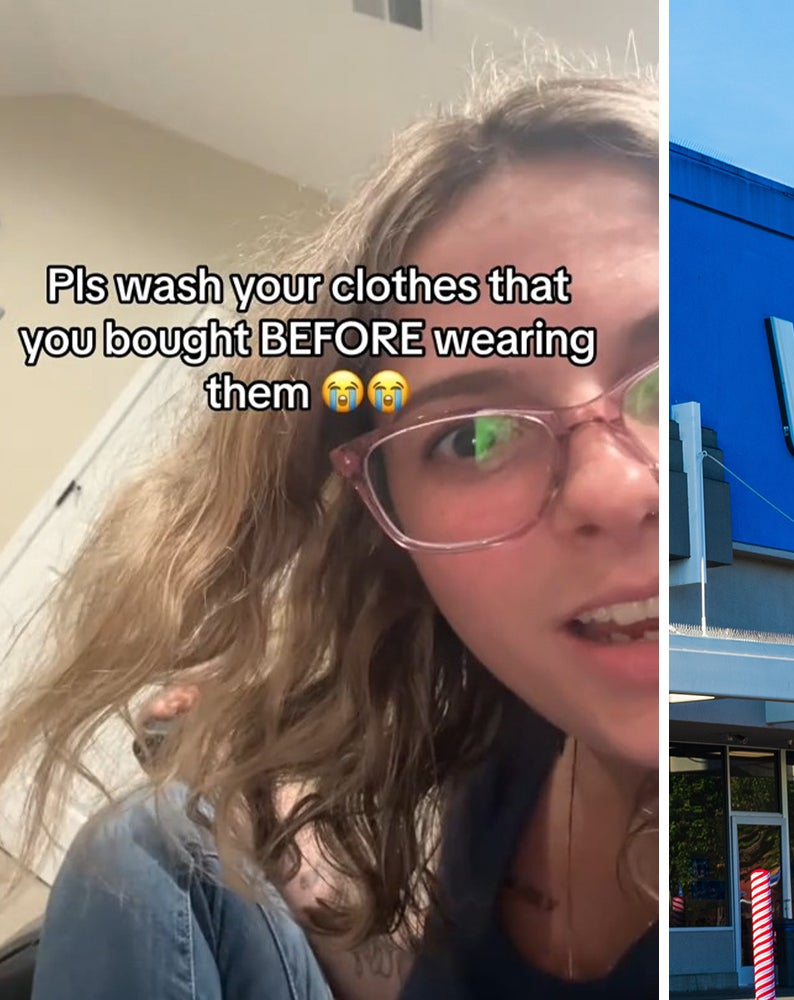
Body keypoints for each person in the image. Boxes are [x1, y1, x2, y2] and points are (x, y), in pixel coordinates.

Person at [0, 56, 660, 999]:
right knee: (160, 836)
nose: (610, 487)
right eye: (472, 435)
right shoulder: (511, 734)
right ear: (393, 529)